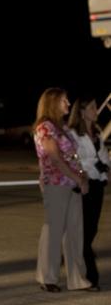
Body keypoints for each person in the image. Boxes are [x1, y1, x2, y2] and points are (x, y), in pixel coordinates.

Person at [33, 87, 91, 294]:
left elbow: (72, 157)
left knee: (75, 232)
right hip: (57, 184)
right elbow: (54, 159)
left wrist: (81, 177)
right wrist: (78, 178)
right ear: (52, 103)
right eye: (64, 100)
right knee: (54, 231)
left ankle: (78, 279)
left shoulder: (62, 127)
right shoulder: (45, 127)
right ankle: (47, 277)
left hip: (72, 184)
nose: (68, 104)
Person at [67, 97, 109, 290]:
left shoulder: (97, 133)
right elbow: (74, 159)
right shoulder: (73, 134)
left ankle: (76, 259)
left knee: (91, 229)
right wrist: (88, 169)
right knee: (84, 230)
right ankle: (90, 275)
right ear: (82, 111)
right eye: (92, 107)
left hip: (98, 183)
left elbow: (103, 156)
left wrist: (105, 169)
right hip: (84, 183)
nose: (96, 110)